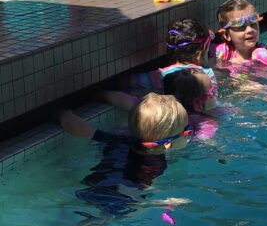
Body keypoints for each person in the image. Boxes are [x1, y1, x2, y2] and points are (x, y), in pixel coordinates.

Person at [59, 93, 190, 217]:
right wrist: (163, 202)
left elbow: (80, 128)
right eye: (186, 131)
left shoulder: (118, 141)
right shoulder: (157, 165)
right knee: (121, 214)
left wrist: (61, 113)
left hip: (95, 184)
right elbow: (142, 191)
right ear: (168, 144)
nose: (188, 134)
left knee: (91, 219)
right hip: (120, 198)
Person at [127, 18, 217, 102]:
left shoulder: (160, 75)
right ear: (199, 54)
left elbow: (128, 82)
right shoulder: (207, 74)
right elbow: (211, 101)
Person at [215, 0, 267, 70]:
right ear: (226, 35)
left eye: (253, 23)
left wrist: (265, 58)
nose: (250, 30)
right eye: (241, 27)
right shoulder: (224, 52)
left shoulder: (265, 52)